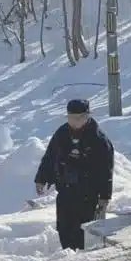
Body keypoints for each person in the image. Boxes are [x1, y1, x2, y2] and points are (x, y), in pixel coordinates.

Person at [35, 99, 114, 250]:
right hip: (65, 190)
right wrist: (41, 178)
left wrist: (104, 196)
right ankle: (67, 253)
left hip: (88, 193)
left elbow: (106, 170)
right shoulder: (62, 133)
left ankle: (81, 255)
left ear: (87, 116)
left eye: (80, 118)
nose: (75, 122)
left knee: (83, 229)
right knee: (64, 227)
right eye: (72, 118)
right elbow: (50, 157)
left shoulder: (98, 139)